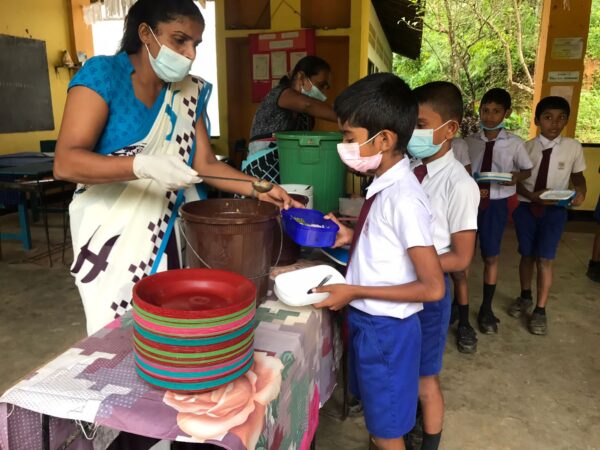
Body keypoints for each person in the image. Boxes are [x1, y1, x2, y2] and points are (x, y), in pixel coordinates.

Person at [54, 0, 297, 336]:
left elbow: (206, 164)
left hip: (168, 227)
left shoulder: (188, 91)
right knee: (119, 328)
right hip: (113, 234)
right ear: (146, 34)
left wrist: (260, 186)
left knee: (171, 317)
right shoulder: (103, 74)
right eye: (179, 39)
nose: (190, 53)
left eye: (195, 43)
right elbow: (66, 162)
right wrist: (142, 165)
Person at [312, 73, 445, 450]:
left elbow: (433, 286)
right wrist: (353, 236)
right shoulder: (384, 187)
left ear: (383, 139)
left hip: (387, 330)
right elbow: (390, 243)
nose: (344, 146)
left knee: (388, 434)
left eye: (349, 138)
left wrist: (352, 289)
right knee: (378, 419)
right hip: (371, 324)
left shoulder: (404, 197)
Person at [408, 82, 480, 449]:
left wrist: (411, 260)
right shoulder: (408, 170)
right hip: (400, 288)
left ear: (449, 129)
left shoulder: (460, 185)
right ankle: (409, 425)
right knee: (404, 372)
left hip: (430, 296)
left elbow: (461, 257)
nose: (412, 132)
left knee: (424, 379)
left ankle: (430, 443)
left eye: (421, 124)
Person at [509, 96, 587, 335]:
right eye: (548, 117)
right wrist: (531, 196)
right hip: (526, 208)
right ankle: (525, 296)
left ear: (567, 120)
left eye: (561, 117)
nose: (554, 123)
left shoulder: (573, 147)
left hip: (555, 210)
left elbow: (578, 177)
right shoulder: (525, 148)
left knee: (545, 259)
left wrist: (581, 191)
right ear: (537, 120)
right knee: (527, 255)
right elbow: (517, 180)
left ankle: (540, 310)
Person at [465, 88, 532, 334]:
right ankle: (457, 303)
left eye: (496, 111)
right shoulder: (469, 141)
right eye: (485, 110)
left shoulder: (515, 144)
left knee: (491, 256)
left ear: (507, 113)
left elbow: (526, 170)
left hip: (497, 203)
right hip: (470, 202)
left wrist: (516, 177)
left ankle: (486, 308)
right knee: (463, 255)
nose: (490, 116)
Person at [242, 55, 338, 182]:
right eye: (320, 85)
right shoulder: (280, 94)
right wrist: (347, 118)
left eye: (326, 89)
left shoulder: (306, 117)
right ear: (301, 77)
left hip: (288, 171)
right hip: (261, 170)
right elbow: (307, 104)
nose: (323, 94)